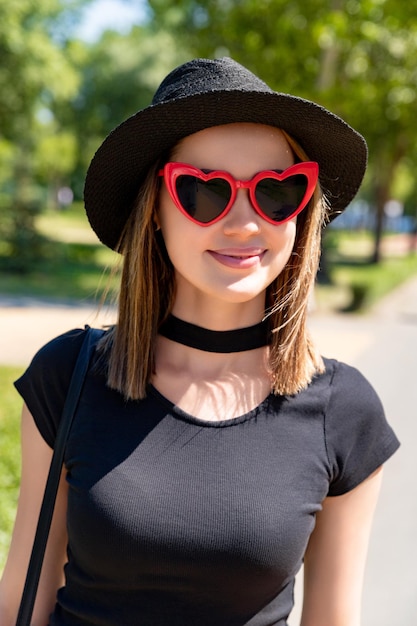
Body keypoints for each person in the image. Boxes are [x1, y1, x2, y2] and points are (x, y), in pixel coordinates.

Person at [0, 57, 400, 626]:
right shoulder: (68, 377)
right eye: (204, 191)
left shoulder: (345, 412)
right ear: (155, 209)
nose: (243, 222)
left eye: (277, 191)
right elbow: (21, 600)